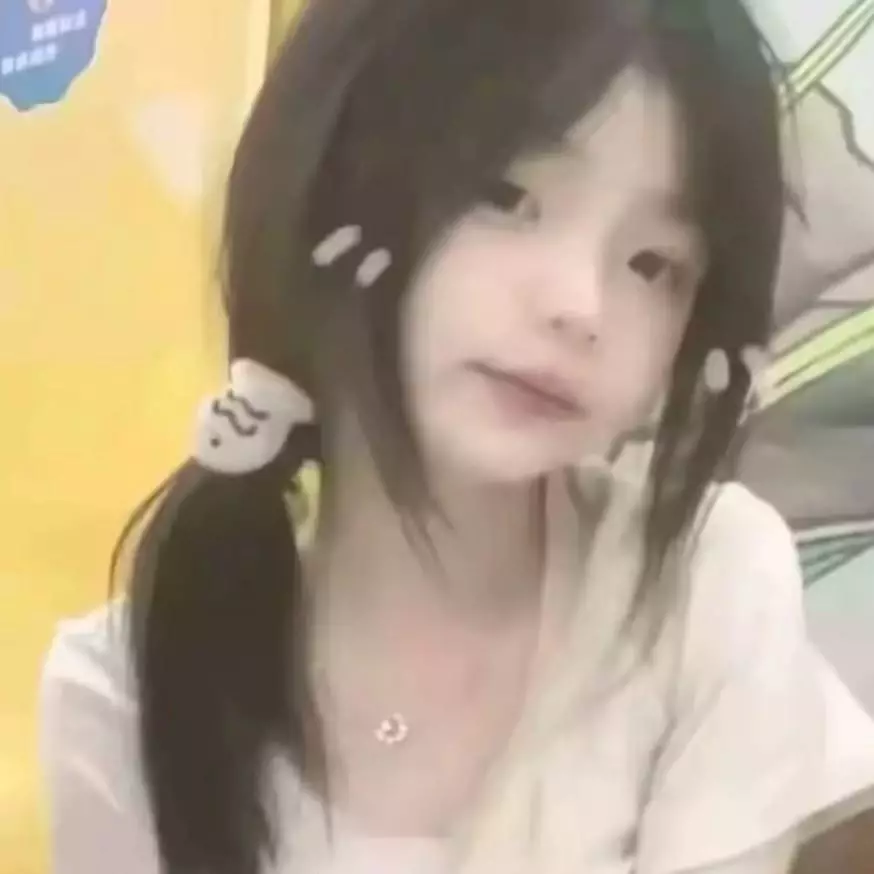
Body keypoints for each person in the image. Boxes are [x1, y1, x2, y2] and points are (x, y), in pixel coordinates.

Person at [38, 0, 826, 872]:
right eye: (507, 197)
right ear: (329, 175)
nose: (581, 303)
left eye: (654, 264)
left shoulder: (706, 589)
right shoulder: (119, 695)